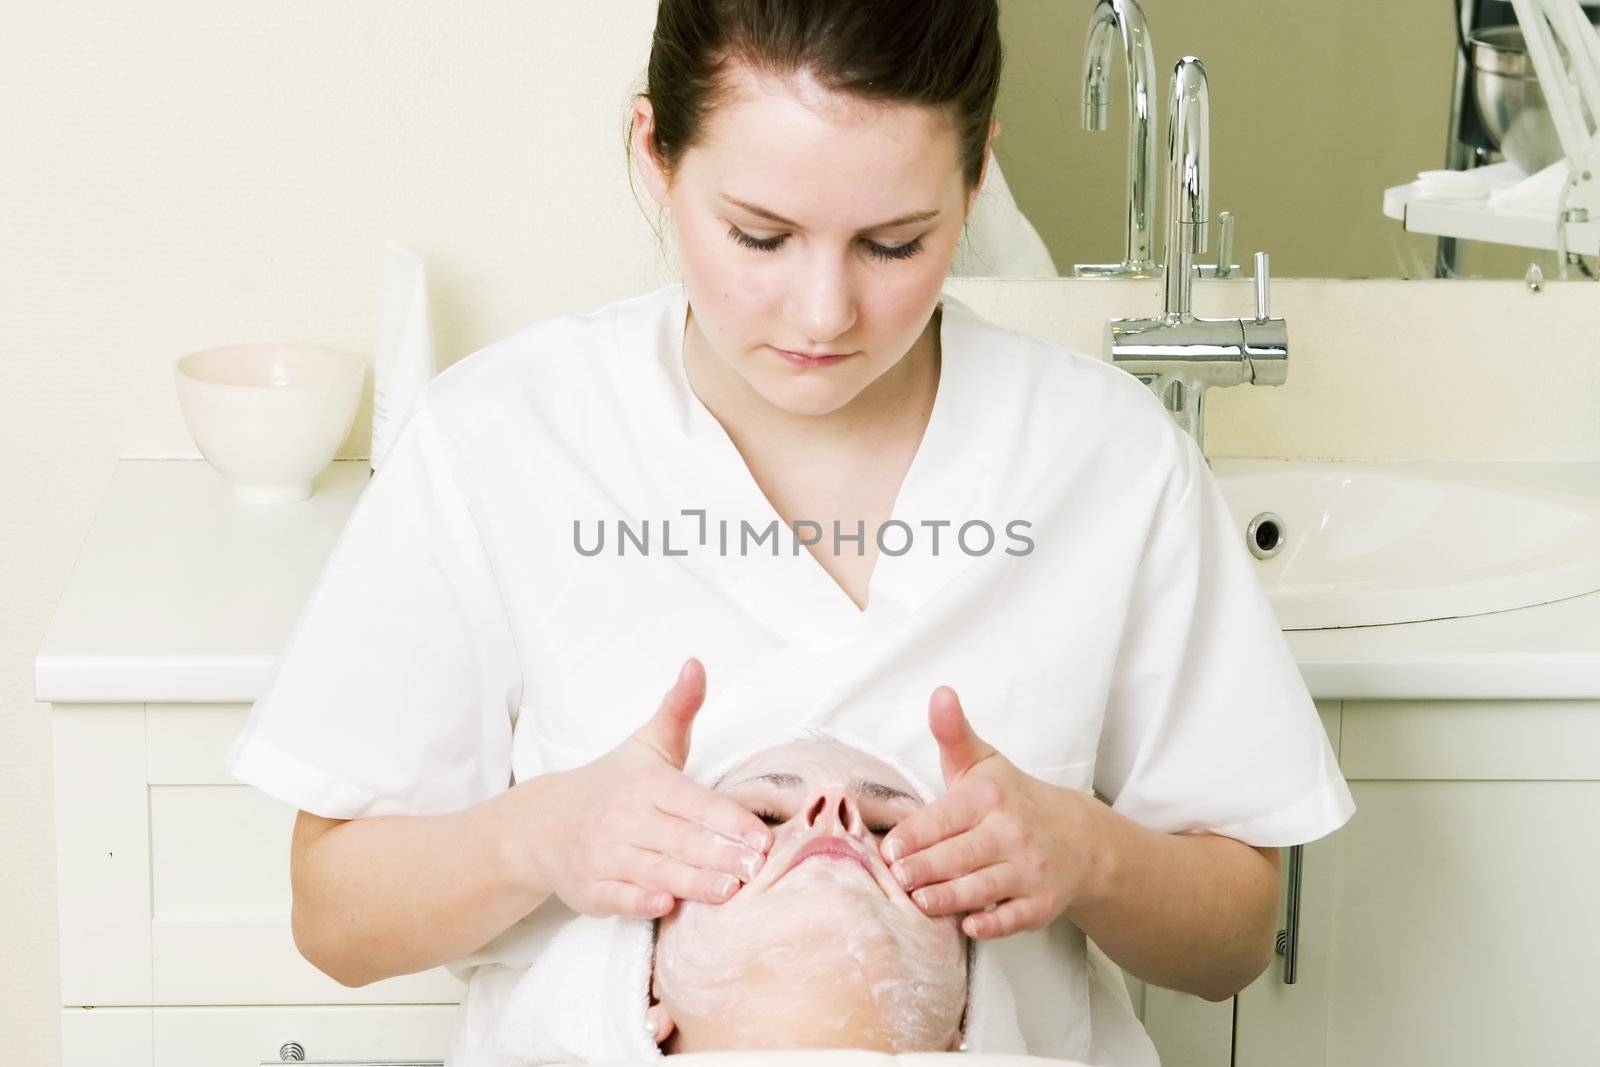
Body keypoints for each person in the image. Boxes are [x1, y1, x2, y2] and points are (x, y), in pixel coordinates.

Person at [227, 2, 1356, 1064]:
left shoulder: (1101, 457)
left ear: (972, 180)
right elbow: (334, 917)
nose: (824, 313)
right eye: (760, 236)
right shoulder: (501, 438)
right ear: (655, 157)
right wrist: (544, 833)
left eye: (895, 242)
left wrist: (1087, 852)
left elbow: (1231, 941)